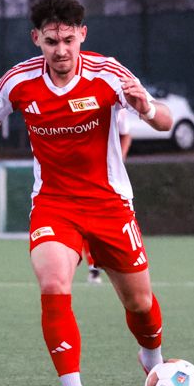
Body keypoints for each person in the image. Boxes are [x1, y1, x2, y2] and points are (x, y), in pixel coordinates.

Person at [0, 0, 175, 386]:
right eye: (51, 41)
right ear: (36, 38)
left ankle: (152, 358)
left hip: (110, 205)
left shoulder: (108, 73)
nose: (60, 51)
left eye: (68, 41)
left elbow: (165, 120)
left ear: (82, 36)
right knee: (54, 280)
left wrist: (146, 107)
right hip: (54, 205)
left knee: (140, 303)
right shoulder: (18, 81)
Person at [85, 109, 131, 284]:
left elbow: (126, 135)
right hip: (81, 178)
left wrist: (120, 160)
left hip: (109, 182)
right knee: (81, 225)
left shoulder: (118, 106)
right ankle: (93, 267)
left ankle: (109, 262)